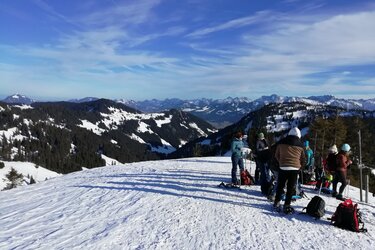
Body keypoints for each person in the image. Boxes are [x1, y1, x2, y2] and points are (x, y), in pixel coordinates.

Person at [273, 127, 306, 214]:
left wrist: (281, 162)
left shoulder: (281, 142)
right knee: (290, 187)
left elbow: (276, 155)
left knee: (280, 185)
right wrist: (300, 167)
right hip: (295, 168)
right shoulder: (301, 145)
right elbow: (303, 159)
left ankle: (276, 202)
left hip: (283, 167)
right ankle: (287, 204)